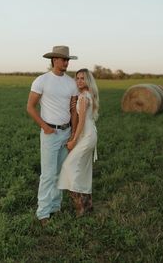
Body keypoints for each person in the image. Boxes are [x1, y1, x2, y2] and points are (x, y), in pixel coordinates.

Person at [26, 45, 78, 226]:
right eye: (64, 59)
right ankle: (43, 213)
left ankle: (56, 206)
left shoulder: (71, 83)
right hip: (50, 133)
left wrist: (73, 133)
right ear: (54, 60)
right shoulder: (41, 81)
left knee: (60, 172)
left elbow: (73, 111)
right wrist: (45, 127)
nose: (66, 62)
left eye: (68, 59)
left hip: (66, 132)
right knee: (48, 175)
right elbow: (30, 107)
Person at [58, 68, 99, 216]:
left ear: (88, 80)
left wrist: (73, 140)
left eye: (82, 78)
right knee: (83, 170)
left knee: (69, 166)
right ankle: (88, 205)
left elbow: (81, 121)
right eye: (77, 78)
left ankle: (80, 207)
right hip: (88, 134)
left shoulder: (83, 97)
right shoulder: (87, 94)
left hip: (86, 135)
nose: (79, 81)